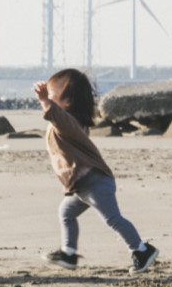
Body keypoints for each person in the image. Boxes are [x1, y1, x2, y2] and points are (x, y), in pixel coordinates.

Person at [34, 68, 161, 272]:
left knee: (113, 219)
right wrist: (48, 101)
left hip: (94, 182)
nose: (46, 98)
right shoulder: (71, 123)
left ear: (67, 102)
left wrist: (44, 101)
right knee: (66, 211)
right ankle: (68, 253)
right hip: (82, 185)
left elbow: (55, 116)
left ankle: (141, 250)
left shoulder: (68, 123)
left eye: (50, 95)